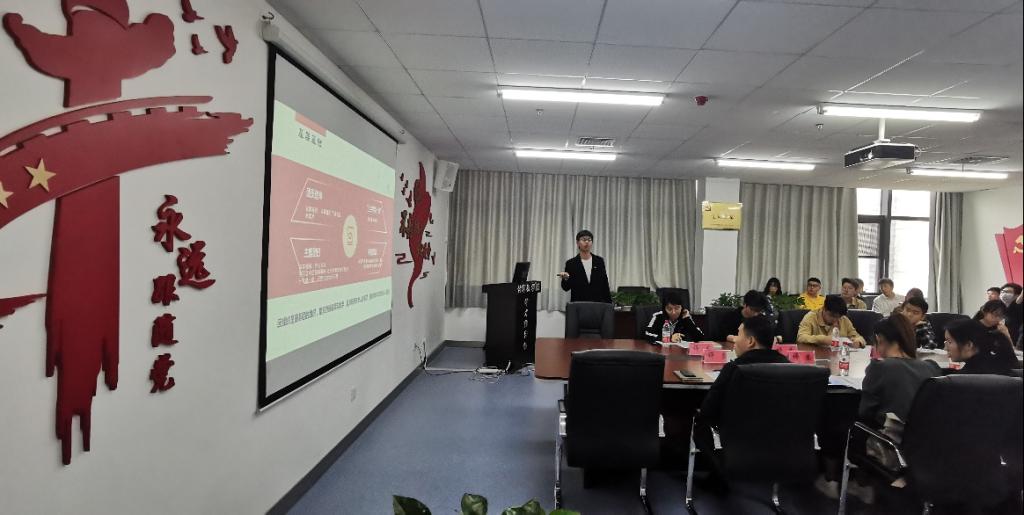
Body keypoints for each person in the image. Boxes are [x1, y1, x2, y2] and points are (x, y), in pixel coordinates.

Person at [696, 315, 789, 447]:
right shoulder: (790, 368)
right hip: (785, 447)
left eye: (738, 334)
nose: (735, 340)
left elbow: (708, 411)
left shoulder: (734, 369)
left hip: (739, 447)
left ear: (750, 341)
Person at [859, 313, 942, 428]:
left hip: (890, 436)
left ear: (879, 339)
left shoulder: (879, 368)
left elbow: (865, 413)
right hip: (926, 436)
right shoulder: (932, 367)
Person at [944, 319, 1017, 375]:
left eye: (949, 342)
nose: (945, 348)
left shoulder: (962, 379)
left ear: (969, 345)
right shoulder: (1001, 365)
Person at [558, 230, 611, 303]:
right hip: (579, 304)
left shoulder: (599, 261)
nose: (587, 242)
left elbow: (605, 284)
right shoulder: (571, 263)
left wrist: (609, 304)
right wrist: (566, 278)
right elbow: (566, 288)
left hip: (597, 303)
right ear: (577, 243)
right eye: (583, 240)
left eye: (589, 240)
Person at [797, 295, 866, 348]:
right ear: (824, 309)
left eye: (838, 317)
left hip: (838, 357)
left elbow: (856, 336)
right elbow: (801, 337)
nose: (835, 319)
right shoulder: (811, 317)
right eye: (832, 316)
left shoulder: (843, 319)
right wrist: (822, 339)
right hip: (816, 356)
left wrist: (858, 342)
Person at [999, 283, 1022, 347]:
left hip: (1018, 344)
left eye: (1008, 292)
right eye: (1002, 291)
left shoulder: (1019, 308)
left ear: (1017, 295)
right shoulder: (999, 308)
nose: (1004, 294)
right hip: (1006, 344)